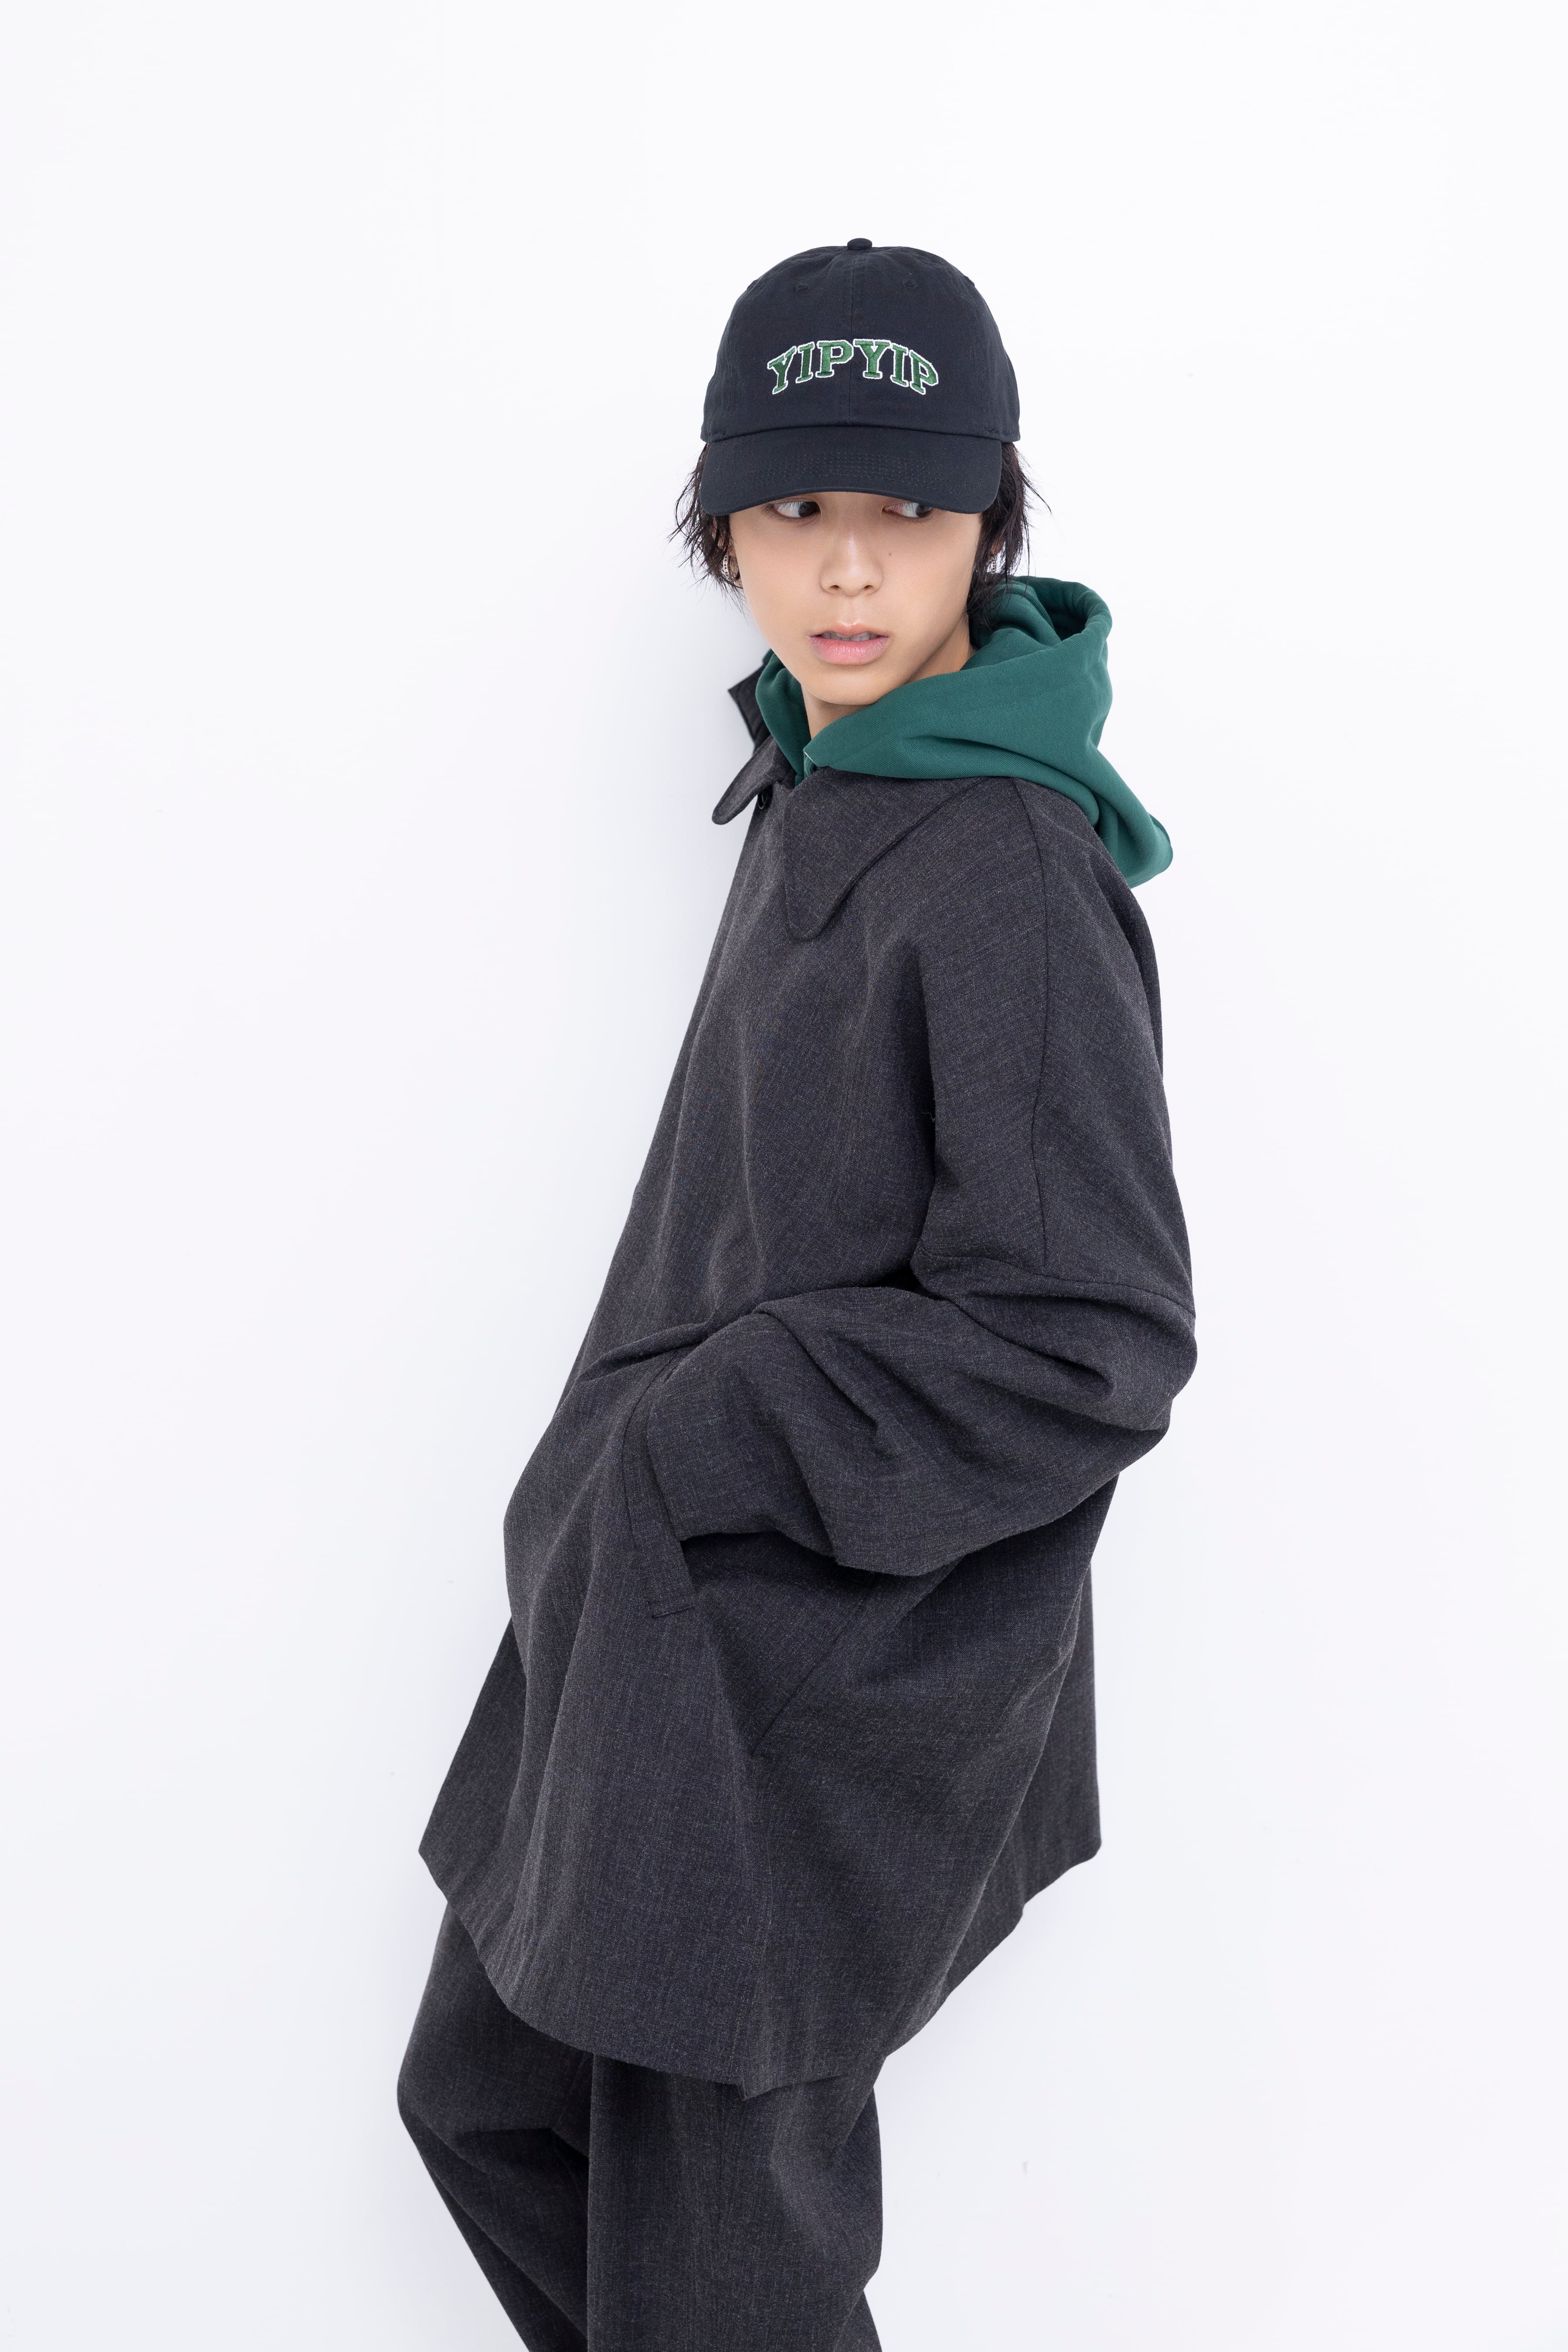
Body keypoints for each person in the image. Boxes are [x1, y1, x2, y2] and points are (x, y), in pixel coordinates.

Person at [397, 237, 1196, 2351]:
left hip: (814, 1678)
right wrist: (629, 1491)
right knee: (488, 2105)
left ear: (989, 522)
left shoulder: (1005, 861)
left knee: (719, 2267)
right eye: (794, 511)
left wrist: (701, 1434)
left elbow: (1095, 1337)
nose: (847, 570)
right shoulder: (831, 767)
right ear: (725, 528)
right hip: (658, 1622)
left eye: (907, 514)